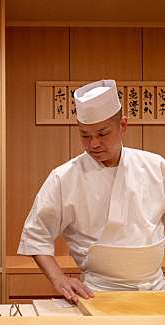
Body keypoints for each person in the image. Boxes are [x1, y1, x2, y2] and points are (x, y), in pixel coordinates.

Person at [18, 79, 165, 302]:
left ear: (122, 125)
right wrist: (59, 279)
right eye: (85, 135)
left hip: (155, 290)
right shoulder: (64, 177)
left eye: (102, 133)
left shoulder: (156, 166)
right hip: (97, 292)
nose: (93, 144)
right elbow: (36, 235)